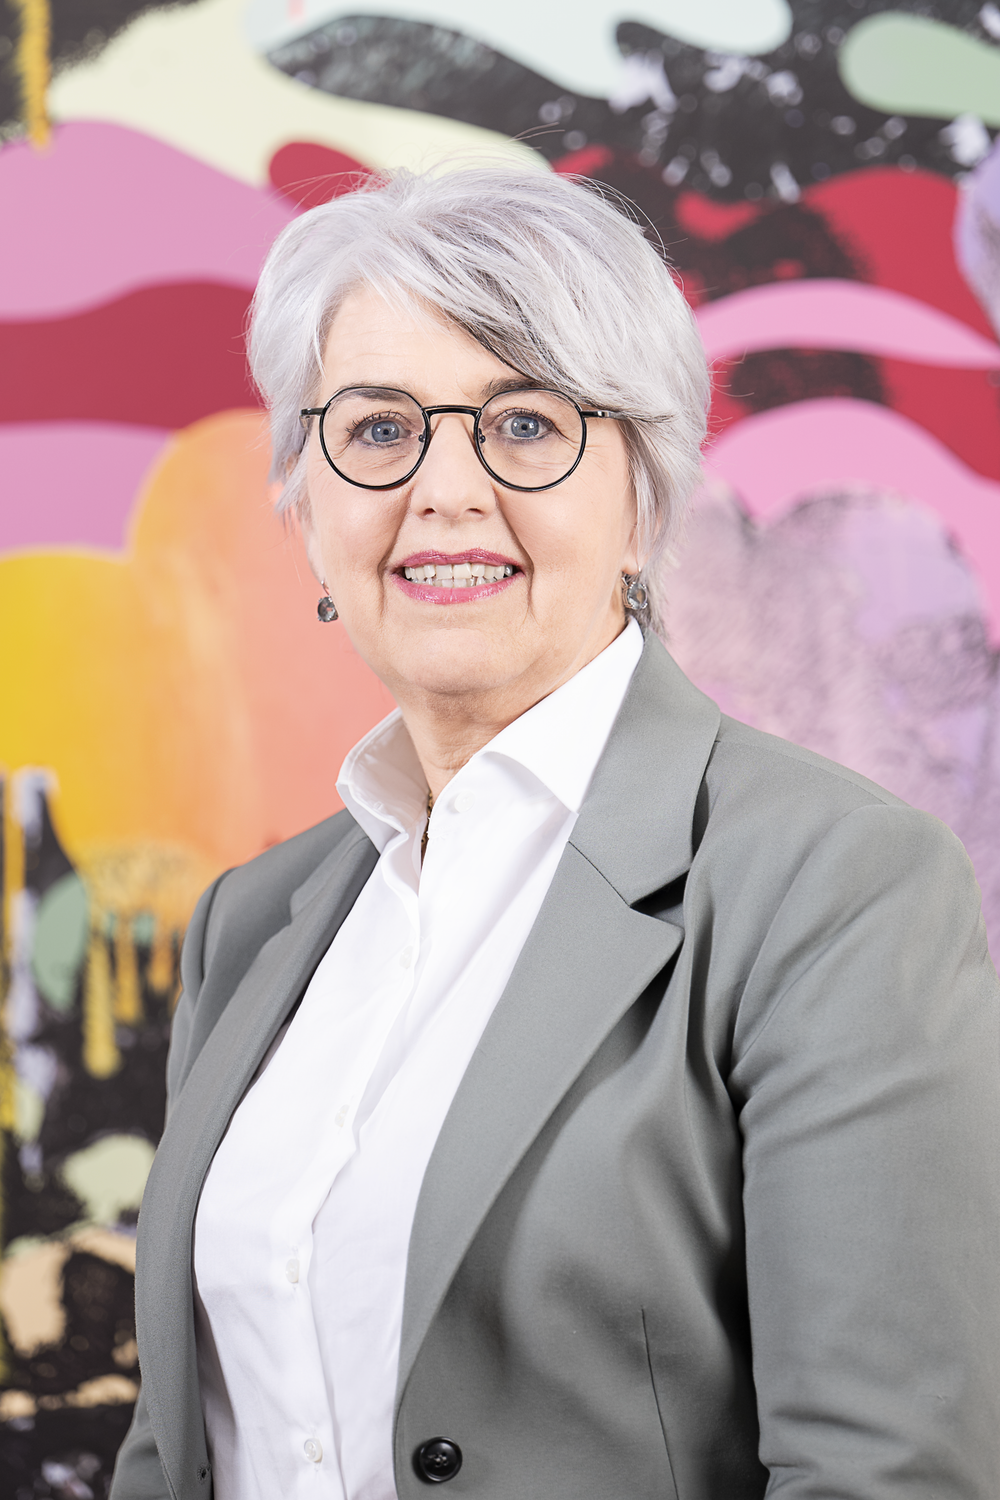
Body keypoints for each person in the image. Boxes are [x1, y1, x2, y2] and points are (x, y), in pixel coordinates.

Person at [110, 164, 1000, 1500]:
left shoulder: (833, 886)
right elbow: (179, 1444)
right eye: (378, 428)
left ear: (644, 500)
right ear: (308, 504)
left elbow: (887, 1474)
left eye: (526, 426)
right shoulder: (257, 921)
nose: (446, 489)